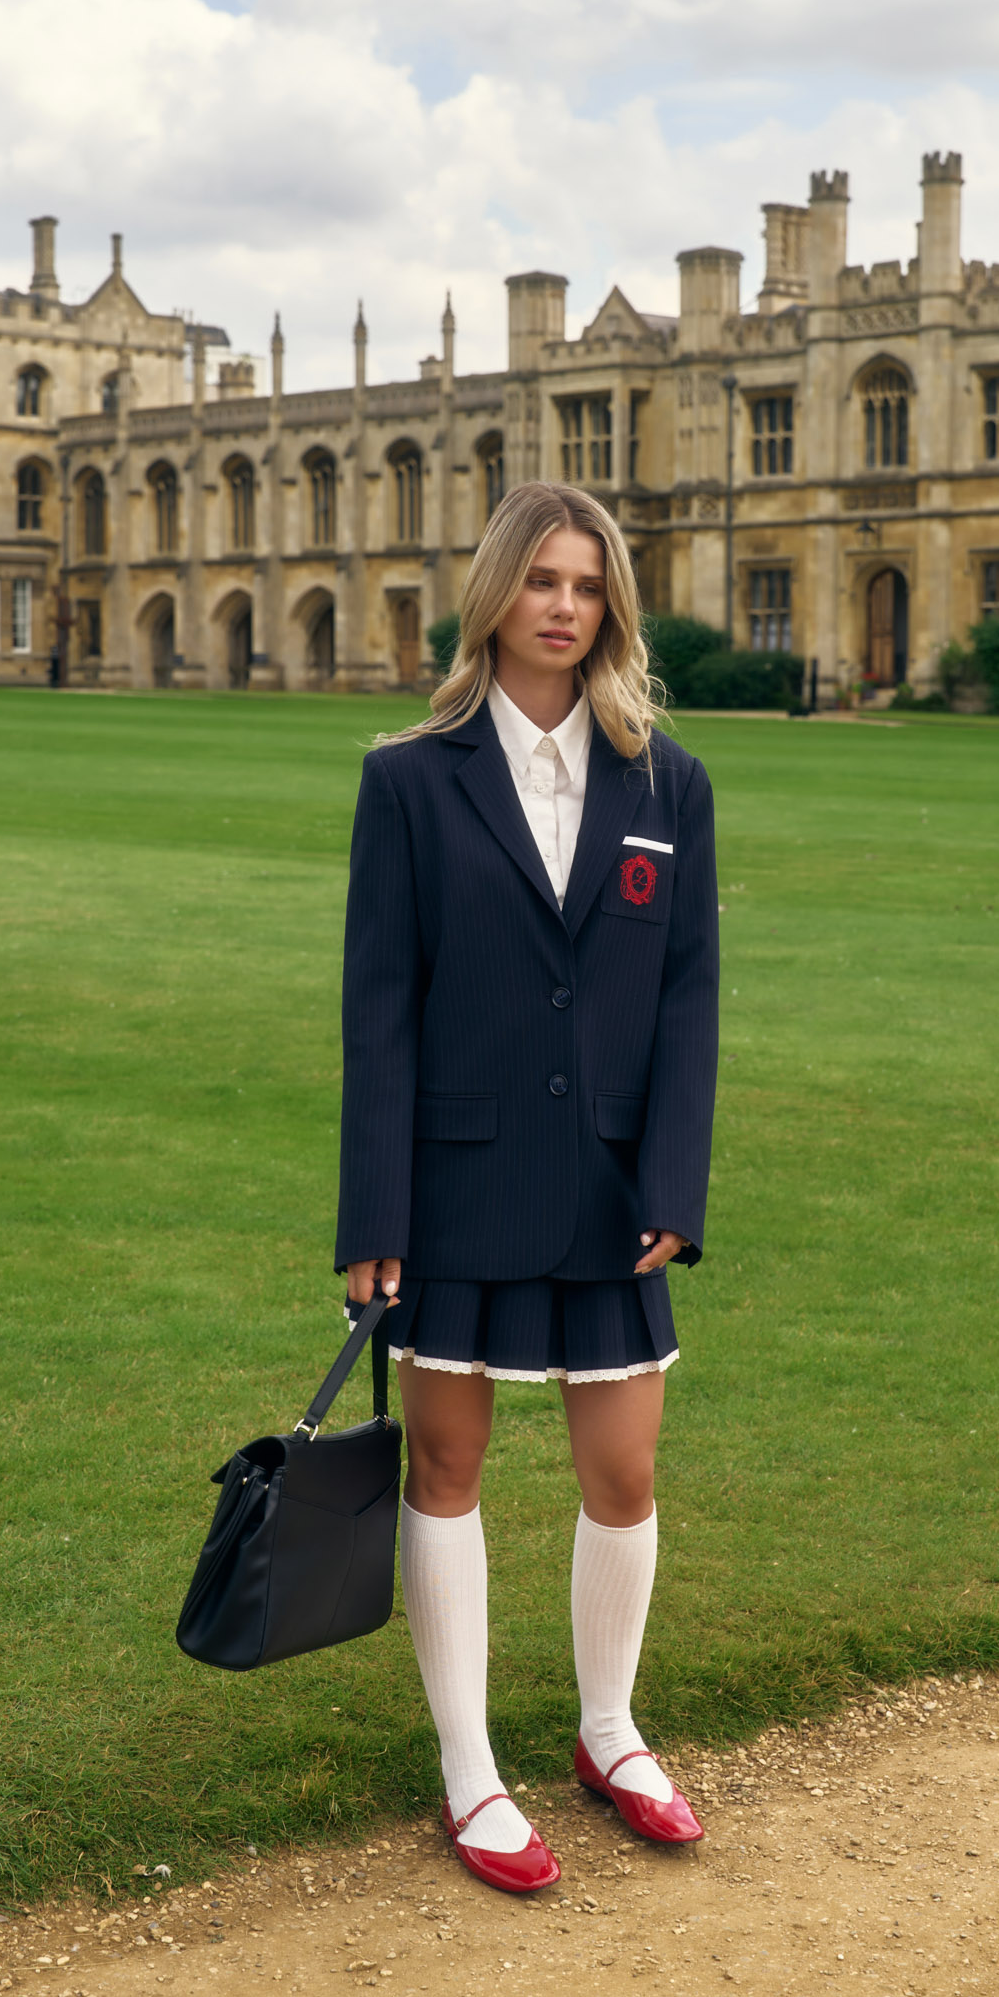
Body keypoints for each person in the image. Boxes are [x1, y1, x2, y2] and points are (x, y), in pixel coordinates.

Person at [336, 480, 718, 1895]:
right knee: (448, 1471)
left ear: (612, 601)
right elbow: (380, 1009)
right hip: (459, 1181)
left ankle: (609, 1733)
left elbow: (690, 999)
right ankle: (469, 1768)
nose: (565, 605)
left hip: (618, 1185)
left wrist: (676, 1175)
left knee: (624, 1473)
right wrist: (373, 1220)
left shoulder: (667, 780)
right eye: (542, 579)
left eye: (589, 583)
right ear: (496, 590)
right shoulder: (410, 776)